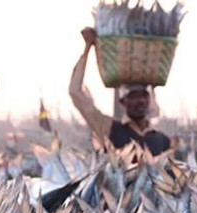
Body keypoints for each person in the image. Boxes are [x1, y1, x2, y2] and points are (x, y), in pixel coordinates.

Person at [69, 28, 171, 156]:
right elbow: (75, 92)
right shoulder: (110, 129)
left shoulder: (162, 141)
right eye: (133, 96)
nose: (140, 101)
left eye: (144, 95)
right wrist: (87, 48)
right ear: (123, 102)